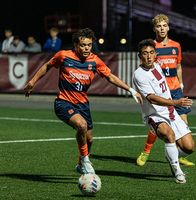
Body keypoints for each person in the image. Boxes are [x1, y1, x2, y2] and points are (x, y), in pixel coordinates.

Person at [24, 28, 142, 174]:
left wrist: (130, 90)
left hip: (83, 104)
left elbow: (110, 77)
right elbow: (47, 66)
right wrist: (32, 82)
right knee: (81, 125)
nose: (86, 48)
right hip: (63, 102)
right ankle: (86, 160)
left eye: (89, 45)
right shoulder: (63, 56)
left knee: (89, 139)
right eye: (83, 45)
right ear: (76, 45)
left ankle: (81, 164)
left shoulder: (94, 60)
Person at [133, 39, 194, 184]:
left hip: (170, 112)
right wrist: (175, 102)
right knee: (169, 134)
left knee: (189, 148)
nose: (148, 56)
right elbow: (152, 98)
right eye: (145, 53)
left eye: (151, 53)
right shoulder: (139, 74)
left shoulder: (158, 66)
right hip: (154, 115)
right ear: (139, 56)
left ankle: (171, 155)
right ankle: (177, 171)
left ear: (155, 54)